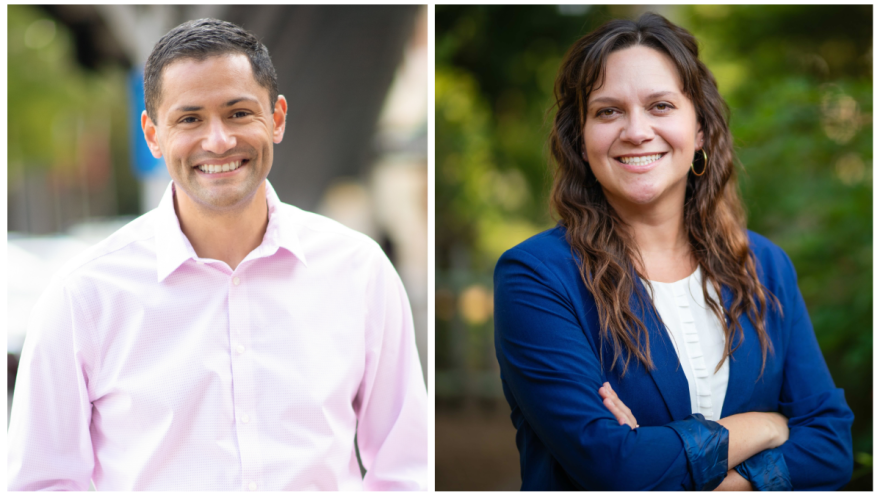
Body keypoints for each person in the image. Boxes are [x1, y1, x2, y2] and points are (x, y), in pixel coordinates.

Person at [8, 18, 427, 491]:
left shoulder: (360, 272)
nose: (219, 140)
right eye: (189, 119)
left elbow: (405, 467)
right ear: (152, 134)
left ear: (278, 118)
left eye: (239, 113)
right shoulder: (82, 297)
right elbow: (41, 482)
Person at [494, 13, 853, 491]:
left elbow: (831, 447)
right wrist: (768, 427)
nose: (637, 131)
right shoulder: (536, 277)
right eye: (608, 111)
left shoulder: (764, 267)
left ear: (700, 129)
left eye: (660, 106)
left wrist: (736, 483)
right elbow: (614, 466)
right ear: (580, 139)